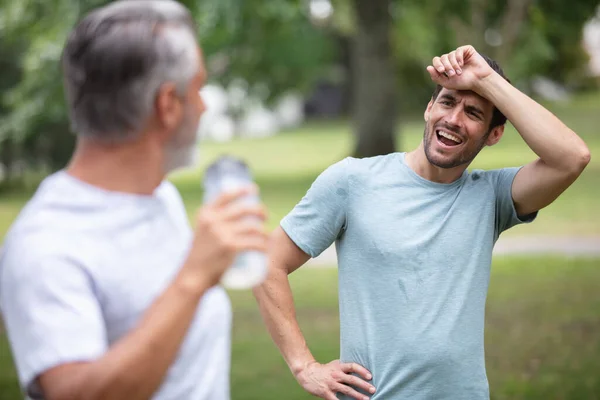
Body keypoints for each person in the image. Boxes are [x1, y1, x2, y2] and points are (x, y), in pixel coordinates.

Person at [253, 45, 591, 400]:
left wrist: (487, 80)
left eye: (474, 112)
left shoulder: (493, 196)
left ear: (493, 135)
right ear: (429, 109)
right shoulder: (352, 181)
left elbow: (572, 158)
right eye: (447, 102)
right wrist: (305, 366)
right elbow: (267, 263)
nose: (454, 119)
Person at [0, 1, 268, 399]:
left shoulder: (162, 197)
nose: (204, 106)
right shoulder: (45, 245)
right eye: (197, 88)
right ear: (168, 105)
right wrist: (193, 277)